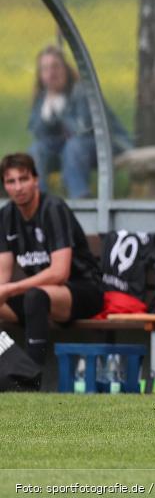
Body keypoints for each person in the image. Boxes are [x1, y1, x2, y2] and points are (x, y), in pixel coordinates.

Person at [0, 153, 103, 384]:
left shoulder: (53, 208)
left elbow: (60, 272)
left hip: (82, 290)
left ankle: (31, 381)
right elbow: (2, 277)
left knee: (35, 297)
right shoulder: (6, 216)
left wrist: (11, 289)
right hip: (37, 297)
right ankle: (10, 373)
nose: (18, 187)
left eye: (23, 179)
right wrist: (5, 290)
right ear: (5, 186)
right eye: (10, 181)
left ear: (36, 179)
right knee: (33, 297)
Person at [28, 46, 131, 199]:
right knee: (36, 149)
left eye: (55, 66)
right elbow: (37, 134)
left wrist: (62, 111)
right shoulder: (43, 98)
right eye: (45, 69)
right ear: (40, 76)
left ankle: (81, 198)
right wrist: (47, 115)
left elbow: (84, 129)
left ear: (66, 69)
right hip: (67, 149)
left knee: (74, 147)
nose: (51, 73)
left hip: (105, 143)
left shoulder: (82, 91)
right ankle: (37, 200)